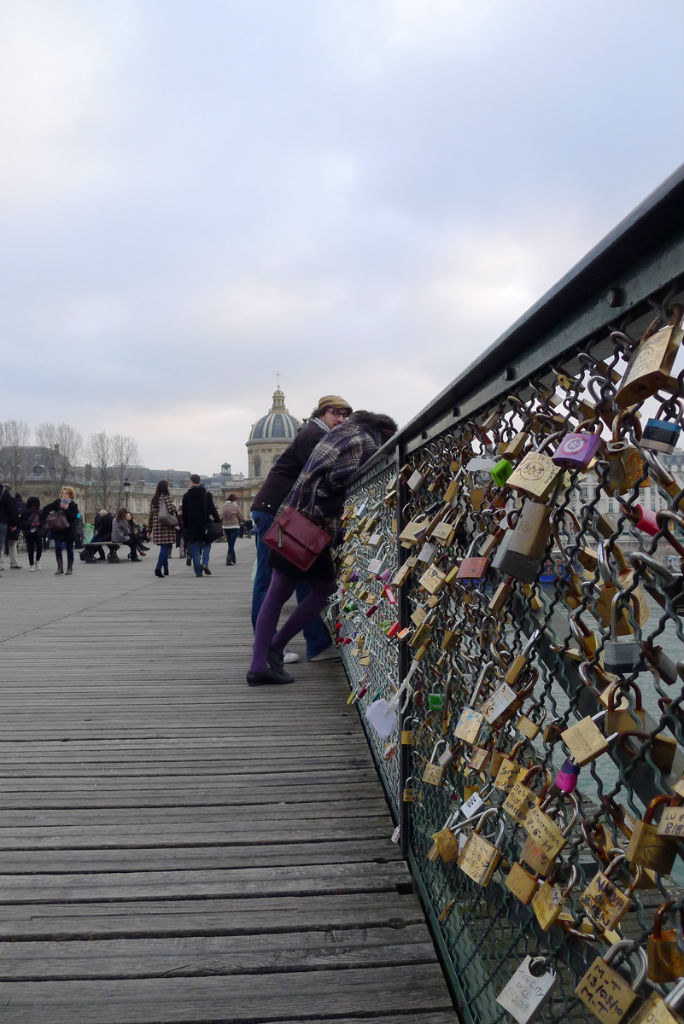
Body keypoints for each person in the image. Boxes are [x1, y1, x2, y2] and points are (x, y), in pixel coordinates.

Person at [248, 410, 397, 686]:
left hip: (290, 516)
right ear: (385, 433)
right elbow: (338, 477)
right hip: (313, 525)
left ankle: (260, 662)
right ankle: (275, 647)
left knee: (278, 590)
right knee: (324, 589)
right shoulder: (365, 441)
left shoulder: (342, 433)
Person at [250, 394, 352, 663]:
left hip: (282, 510)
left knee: (301, 579)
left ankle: (315, 644)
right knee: (269, 581)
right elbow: (326, 474)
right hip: (278, 511)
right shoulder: (314, 435)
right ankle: (269, 647)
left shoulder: (312, 432)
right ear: (321, 413)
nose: (341, 419)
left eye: (345, 415)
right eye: (335, 413)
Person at [182, 475, 220, 577]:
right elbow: (213, 509)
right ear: (199, 481)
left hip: (192, 526)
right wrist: (217, 520)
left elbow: (184, 514)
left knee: (195, 548)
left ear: (191, 482)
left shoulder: (186, 496)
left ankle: (198, 571)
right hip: (205, 525)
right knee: (207, 544)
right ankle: (205, 563)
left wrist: (185, 527)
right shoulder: (207, 494)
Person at [43, 486, 80, 575]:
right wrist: (47, 517)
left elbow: (74, 517)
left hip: (69, 529)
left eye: (66, 493)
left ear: (70, 495)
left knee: (69, 548)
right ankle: (60, 568)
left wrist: (66, 509)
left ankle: (69, 568)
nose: (64, 495)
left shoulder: (73, 505)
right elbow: (46, 508)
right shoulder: (57, 502)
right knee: (58, 547)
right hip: (58, 529)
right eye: (63, 493)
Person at [147, 480, 179, 578]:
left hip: (157, 526)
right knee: (165, 548)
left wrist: (149, 530)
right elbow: (170, 510)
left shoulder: (154, 499)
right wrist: (174, 507)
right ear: (165, 487)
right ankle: (158, 567)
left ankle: (166, 570)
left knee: (164, 548)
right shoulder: (166, 497)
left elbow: (151, 516)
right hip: (166, 527)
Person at [19, 496, 43, 571]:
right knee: (30, 549)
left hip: (37, 531)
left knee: (39, 547)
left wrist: (39, 525)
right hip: (28, 531)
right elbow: (21, 522)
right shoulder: (25, 512)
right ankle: (31, 564)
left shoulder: (40, 512)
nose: (34, 505)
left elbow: (43, 521)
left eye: (35, 503)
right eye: (32, 503)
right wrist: (28, 525)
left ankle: (37, 561)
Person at [0, 475, 18, 572]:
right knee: (2, 543)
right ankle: (11, 562)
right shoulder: (7, 496)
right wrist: (13, 524)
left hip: (4, 521)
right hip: (3, 522)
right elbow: (11, 511)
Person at [220, 493, 243, 565]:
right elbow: (241, 516)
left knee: (230, 543)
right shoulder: (235, 506)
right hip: (234, 526)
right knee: (231, 544)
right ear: (234, 500)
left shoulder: (223, 506)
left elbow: (221, 515)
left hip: (226, 527)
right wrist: (241, 520)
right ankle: (228, 560)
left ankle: (233, 559)